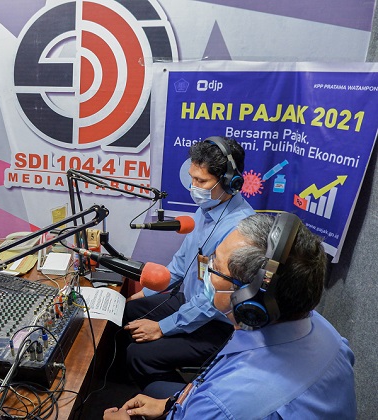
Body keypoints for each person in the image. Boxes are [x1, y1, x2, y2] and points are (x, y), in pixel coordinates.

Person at [104, 213, 356, 419]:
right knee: (156, 389)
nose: (207, 270)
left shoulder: (219, 406)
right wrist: (171, 404)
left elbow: (221, 407)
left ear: (249, 299)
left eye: (215, 266)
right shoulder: (329, 335)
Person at [121, 137, 255, 388]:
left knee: (138, 355)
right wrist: (146, 292)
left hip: (217, 324)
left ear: (230, 182)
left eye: (201, 181)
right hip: (190, 300)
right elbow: (181, 263)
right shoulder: (206, 210)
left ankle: (177, 400)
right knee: (130, 310)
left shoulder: (240, 232)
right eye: (192, 178)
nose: (194, 187)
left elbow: (214, 300)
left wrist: (162, 328)